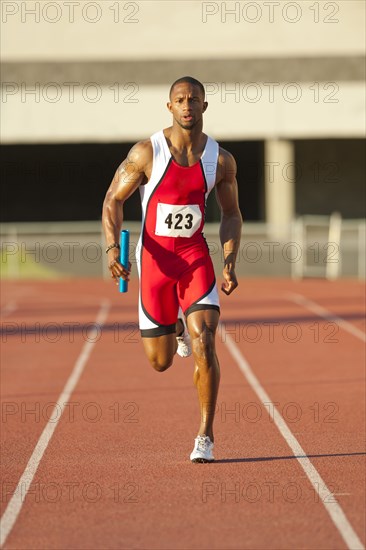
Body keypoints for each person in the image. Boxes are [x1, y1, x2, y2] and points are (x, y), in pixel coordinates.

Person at [102, 76, 242, 463]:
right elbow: (113, 200)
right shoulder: (147, 152)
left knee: (206, 341)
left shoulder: (221, 160)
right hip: (155, 263)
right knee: (160, 362)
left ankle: (205, 436)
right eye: (179, 100)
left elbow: (231, 214)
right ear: (169, 107)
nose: (186, 106)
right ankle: (175, 328)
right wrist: (114, 248)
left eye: (193, 99)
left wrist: (229, 261)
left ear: (204, 106)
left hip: (194, 260)